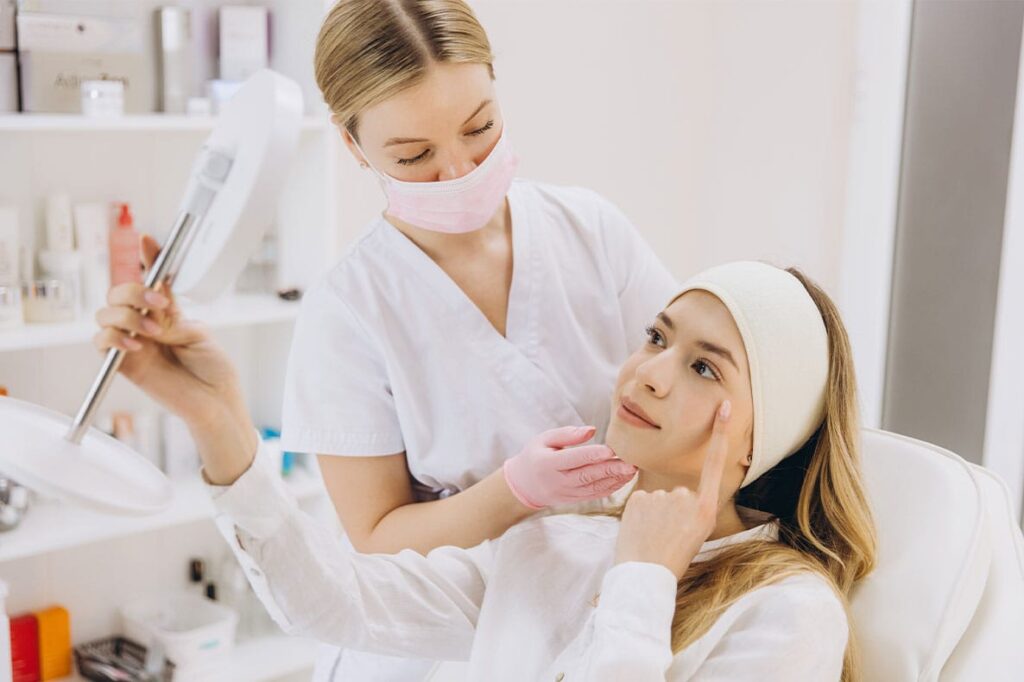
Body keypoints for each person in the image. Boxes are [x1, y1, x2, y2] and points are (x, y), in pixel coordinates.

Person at [93, 0, 677, 677]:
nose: (458, 171)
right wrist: (514, 490)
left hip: (602, 610)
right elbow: (373, 541)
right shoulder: (348, 311)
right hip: (435, 645)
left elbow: (690, 380)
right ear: (351, 144)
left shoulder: (591, 230)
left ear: (493, 80)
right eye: (414, 155)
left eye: (479, 128)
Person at [106, 261, 878, 680]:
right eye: (656, 336)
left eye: (707, 370)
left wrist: (644, 580)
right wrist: (220, 424)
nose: (647, 374)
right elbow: (333, 603)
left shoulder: (789, 612)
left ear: (765, 436)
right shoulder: (556, 545)